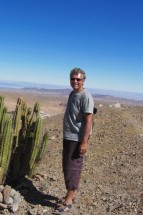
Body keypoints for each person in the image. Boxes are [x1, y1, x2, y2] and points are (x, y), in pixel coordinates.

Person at [56, 68, 94, 213]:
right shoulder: (73, 93)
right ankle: (70, 193)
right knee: (66, 166)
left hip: (77, 138)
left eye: (78, 79)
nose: (75, 81)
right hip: (68, 136)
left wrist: (84, 142)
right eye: (73, 79)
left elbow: (89, 120)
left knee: (73, 168)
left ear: (83, 80)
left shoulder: (86, 96)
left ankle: (69, 200)